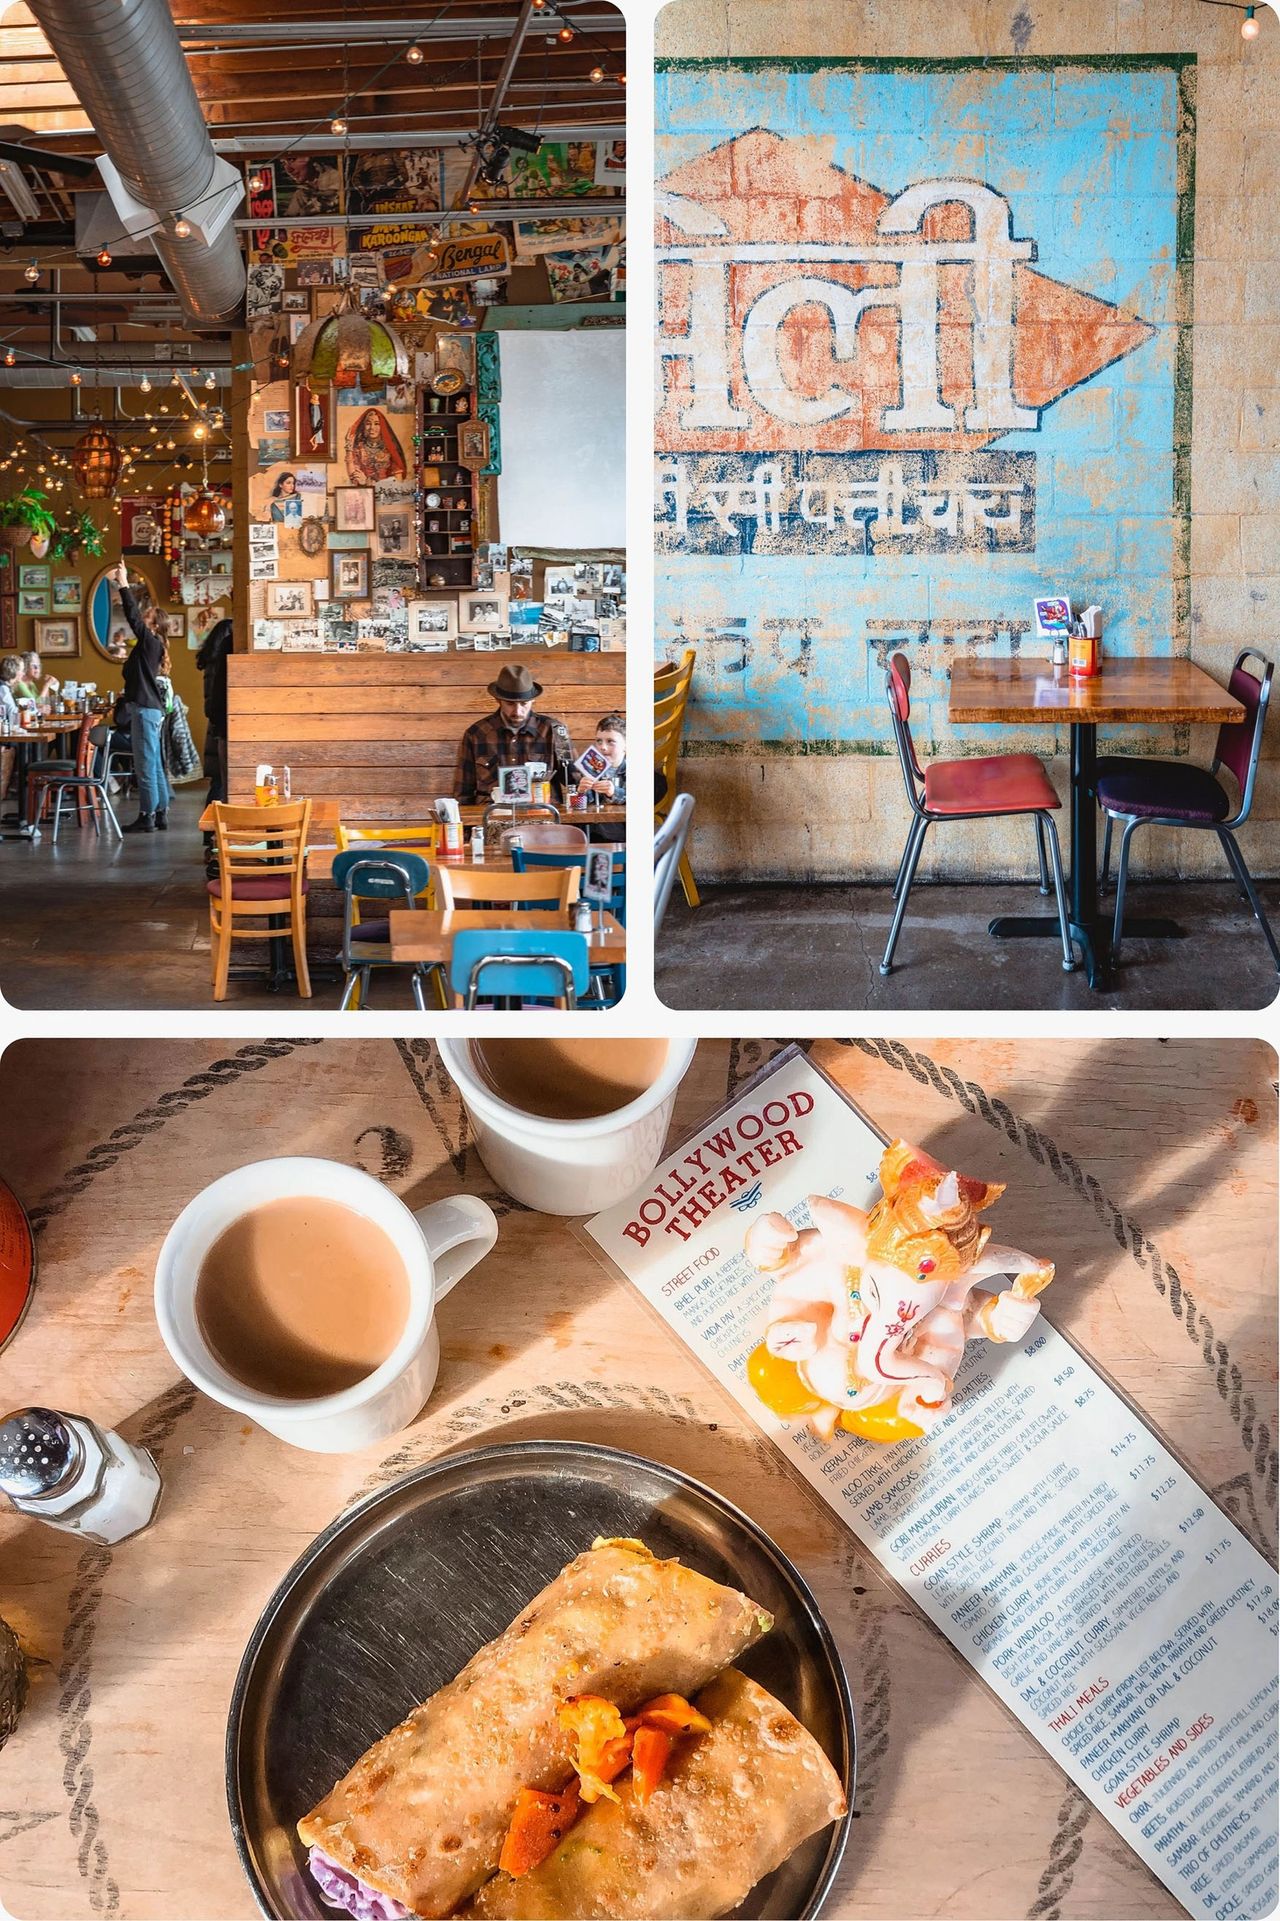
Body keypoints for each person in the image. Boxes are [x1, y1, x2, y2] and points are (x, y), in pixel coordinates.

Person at [454, 663, 573, 804]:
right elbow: (463, 793)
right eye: (510, 704)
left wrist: (601, 788)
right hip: (492, 816)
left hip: (542, 816)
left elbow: (574, 779)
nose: (517, 711)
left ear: (533, 700)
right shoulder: (475, 734)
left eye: (524, 703)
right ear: (498, 700)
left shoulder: (556, 731)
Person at [112, 561, 173, 832]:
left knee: (145, 764)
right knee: (154, 762)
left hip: (146, 710)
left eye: (147, 618)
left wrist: (124, 584)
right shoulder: (151, 647)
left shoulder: (150, 642)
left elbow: (132, 617)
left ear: (154, 626)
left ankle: (147, 815)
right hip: (152, 710)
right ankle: (159, 812)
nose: (142, 620)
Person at [577, 713, 626, 804]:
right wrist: (581, 792)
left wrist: (613, 792)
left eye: (610, 741)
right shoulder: (591, 769)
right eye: (599, 741)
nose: (603, 747)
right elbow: (580, 805)